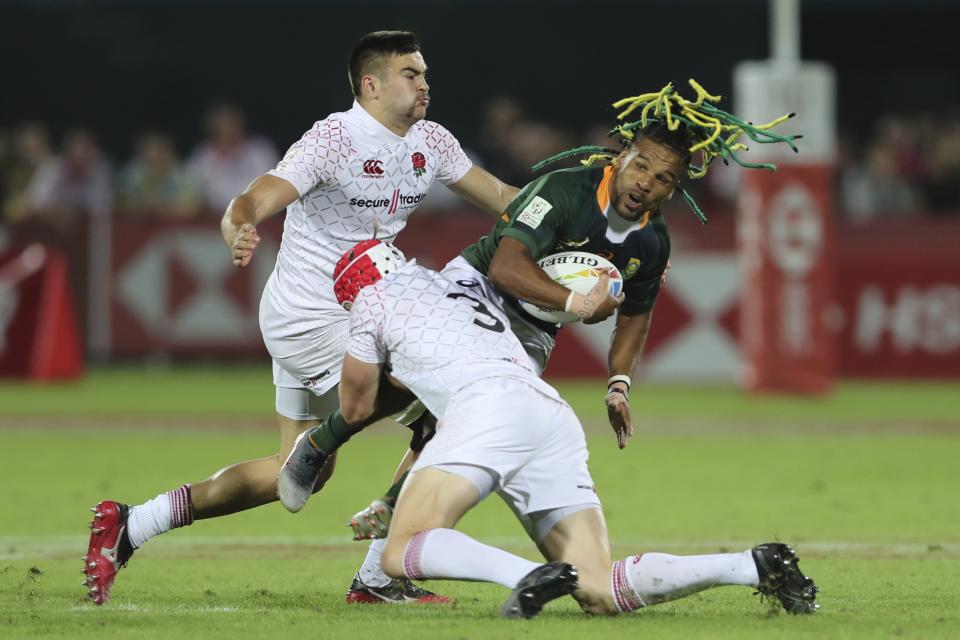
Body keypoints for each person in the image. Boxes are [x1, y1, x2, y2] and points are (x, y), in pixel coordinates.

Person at [83, 30, 520, 606]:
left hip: (359, 314)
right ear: (372, 84)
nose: (424, 84)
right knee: (450, 399)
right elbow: (257, 196)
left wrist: (590, 214)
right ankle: (379, 573)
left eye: (425, 75)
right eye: (411, 74)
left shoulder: (431, 141)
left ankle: (131, 525)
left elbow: (505, 198)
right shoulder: (333, 139)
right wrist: (237, 222)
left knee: (294, 474)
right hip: (310, 318)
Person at [343, 80, 802, 540]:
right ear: (621, 157)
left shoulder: (652, 242)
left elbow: (635, 317)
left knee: (473, 414)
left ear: (673, 189)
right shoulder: (565, 190)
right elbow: (505, 266)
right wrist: (576, 302)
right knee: (414, 385)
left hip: (534, 329)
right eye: (641, 165)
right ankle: (327, 444)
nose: (646, 182)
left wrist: (618, 385)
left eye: (662, 178)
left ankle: (388, 513)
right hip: (477, 286)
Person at [280, 238, 819, 618]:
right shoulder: (450, 280)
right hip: (547, 412)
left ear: (352, 292)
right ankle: (751, 566)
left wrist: (326, 433)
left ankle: (524, 577)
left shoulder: (372, 300)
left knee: (402, 550)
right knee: (598, 588)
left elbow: (355, 405)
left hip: (486, 409)